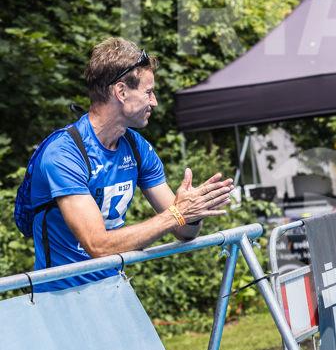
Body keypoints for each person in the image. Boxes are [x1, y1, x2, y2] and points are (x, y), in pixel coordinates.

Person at [29, 37, 234, 292]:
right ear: (121, 92)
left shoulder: (136, 147)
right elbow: (98, 246)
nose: (154, 101)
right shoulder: (64, 153)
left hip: (113, 289)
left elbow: (184, 232)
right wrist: (176, 213)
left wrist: (193, 212)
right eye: (148, 92)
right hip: (62, 297)